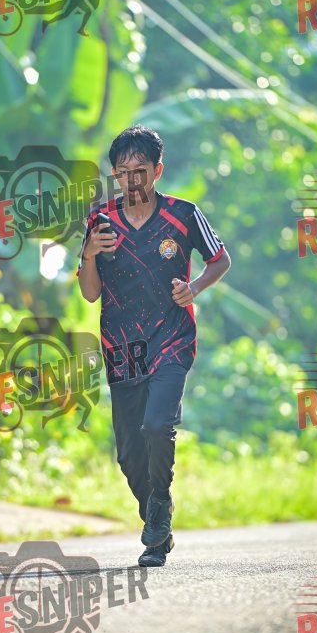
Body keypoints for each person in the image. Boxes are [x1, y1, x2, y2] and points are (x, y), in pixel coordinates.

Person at [76, 126, 231, 566]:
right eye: (123, 171)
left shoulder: (184, 214)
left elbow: (220, 259)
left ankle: (159, 506)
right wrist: (89, 254)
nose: (132, 179)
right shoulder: (100, 220)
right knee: (129, 455)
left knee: (158, 425)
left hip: (172, 339)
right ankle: (158, 524)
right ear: (114, 174)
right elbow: (89, 293)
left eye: (140, 170)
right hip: (121, 345)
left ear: (157, 171)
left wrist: (194, 288)